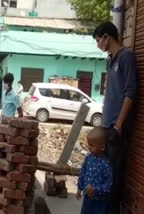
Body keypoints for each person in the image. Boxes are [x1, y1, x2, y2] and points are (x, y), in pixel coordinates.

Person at [93, 21, 137, 214]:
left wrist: (119, 125)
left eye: (98, 40)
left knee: (114, 174)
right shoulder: (110, 60)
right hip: (107, 124)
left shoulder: (126, 57)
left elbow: (130, 93)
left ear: (107, 38)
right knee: (104, 169)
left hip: (117, 127)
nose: (98, 45)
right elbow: (110, 93)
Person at [76, 127, 112, 214]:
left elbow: (108, 184)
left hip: (99, 201)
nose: (89, 147)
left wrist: (95, 190)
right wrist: (79, 188)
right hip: (87, 198)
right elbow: (83, 173)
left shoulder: (106, 164)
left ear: (102, 147)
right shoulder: (88, 158)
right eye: (89, 144)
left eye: (91, 145)